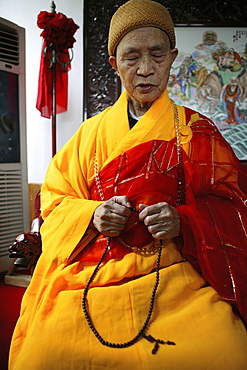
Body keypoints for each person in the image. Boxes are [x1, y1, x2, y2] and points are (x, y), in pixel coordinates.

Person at [9, 1, 247, 369]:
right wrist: (92, 214)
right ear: (114, 63)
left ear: (173, 57)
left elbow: (233, 205)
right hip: (94, 269)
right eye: (132, 57)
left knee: (227, 351)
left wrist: (183, 220)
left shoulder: (196, 132)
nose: (146, 69)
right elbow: (54, 201)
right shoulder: (89, 134)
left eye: (157, 55)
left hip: (173, 271)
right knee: (43, 355)